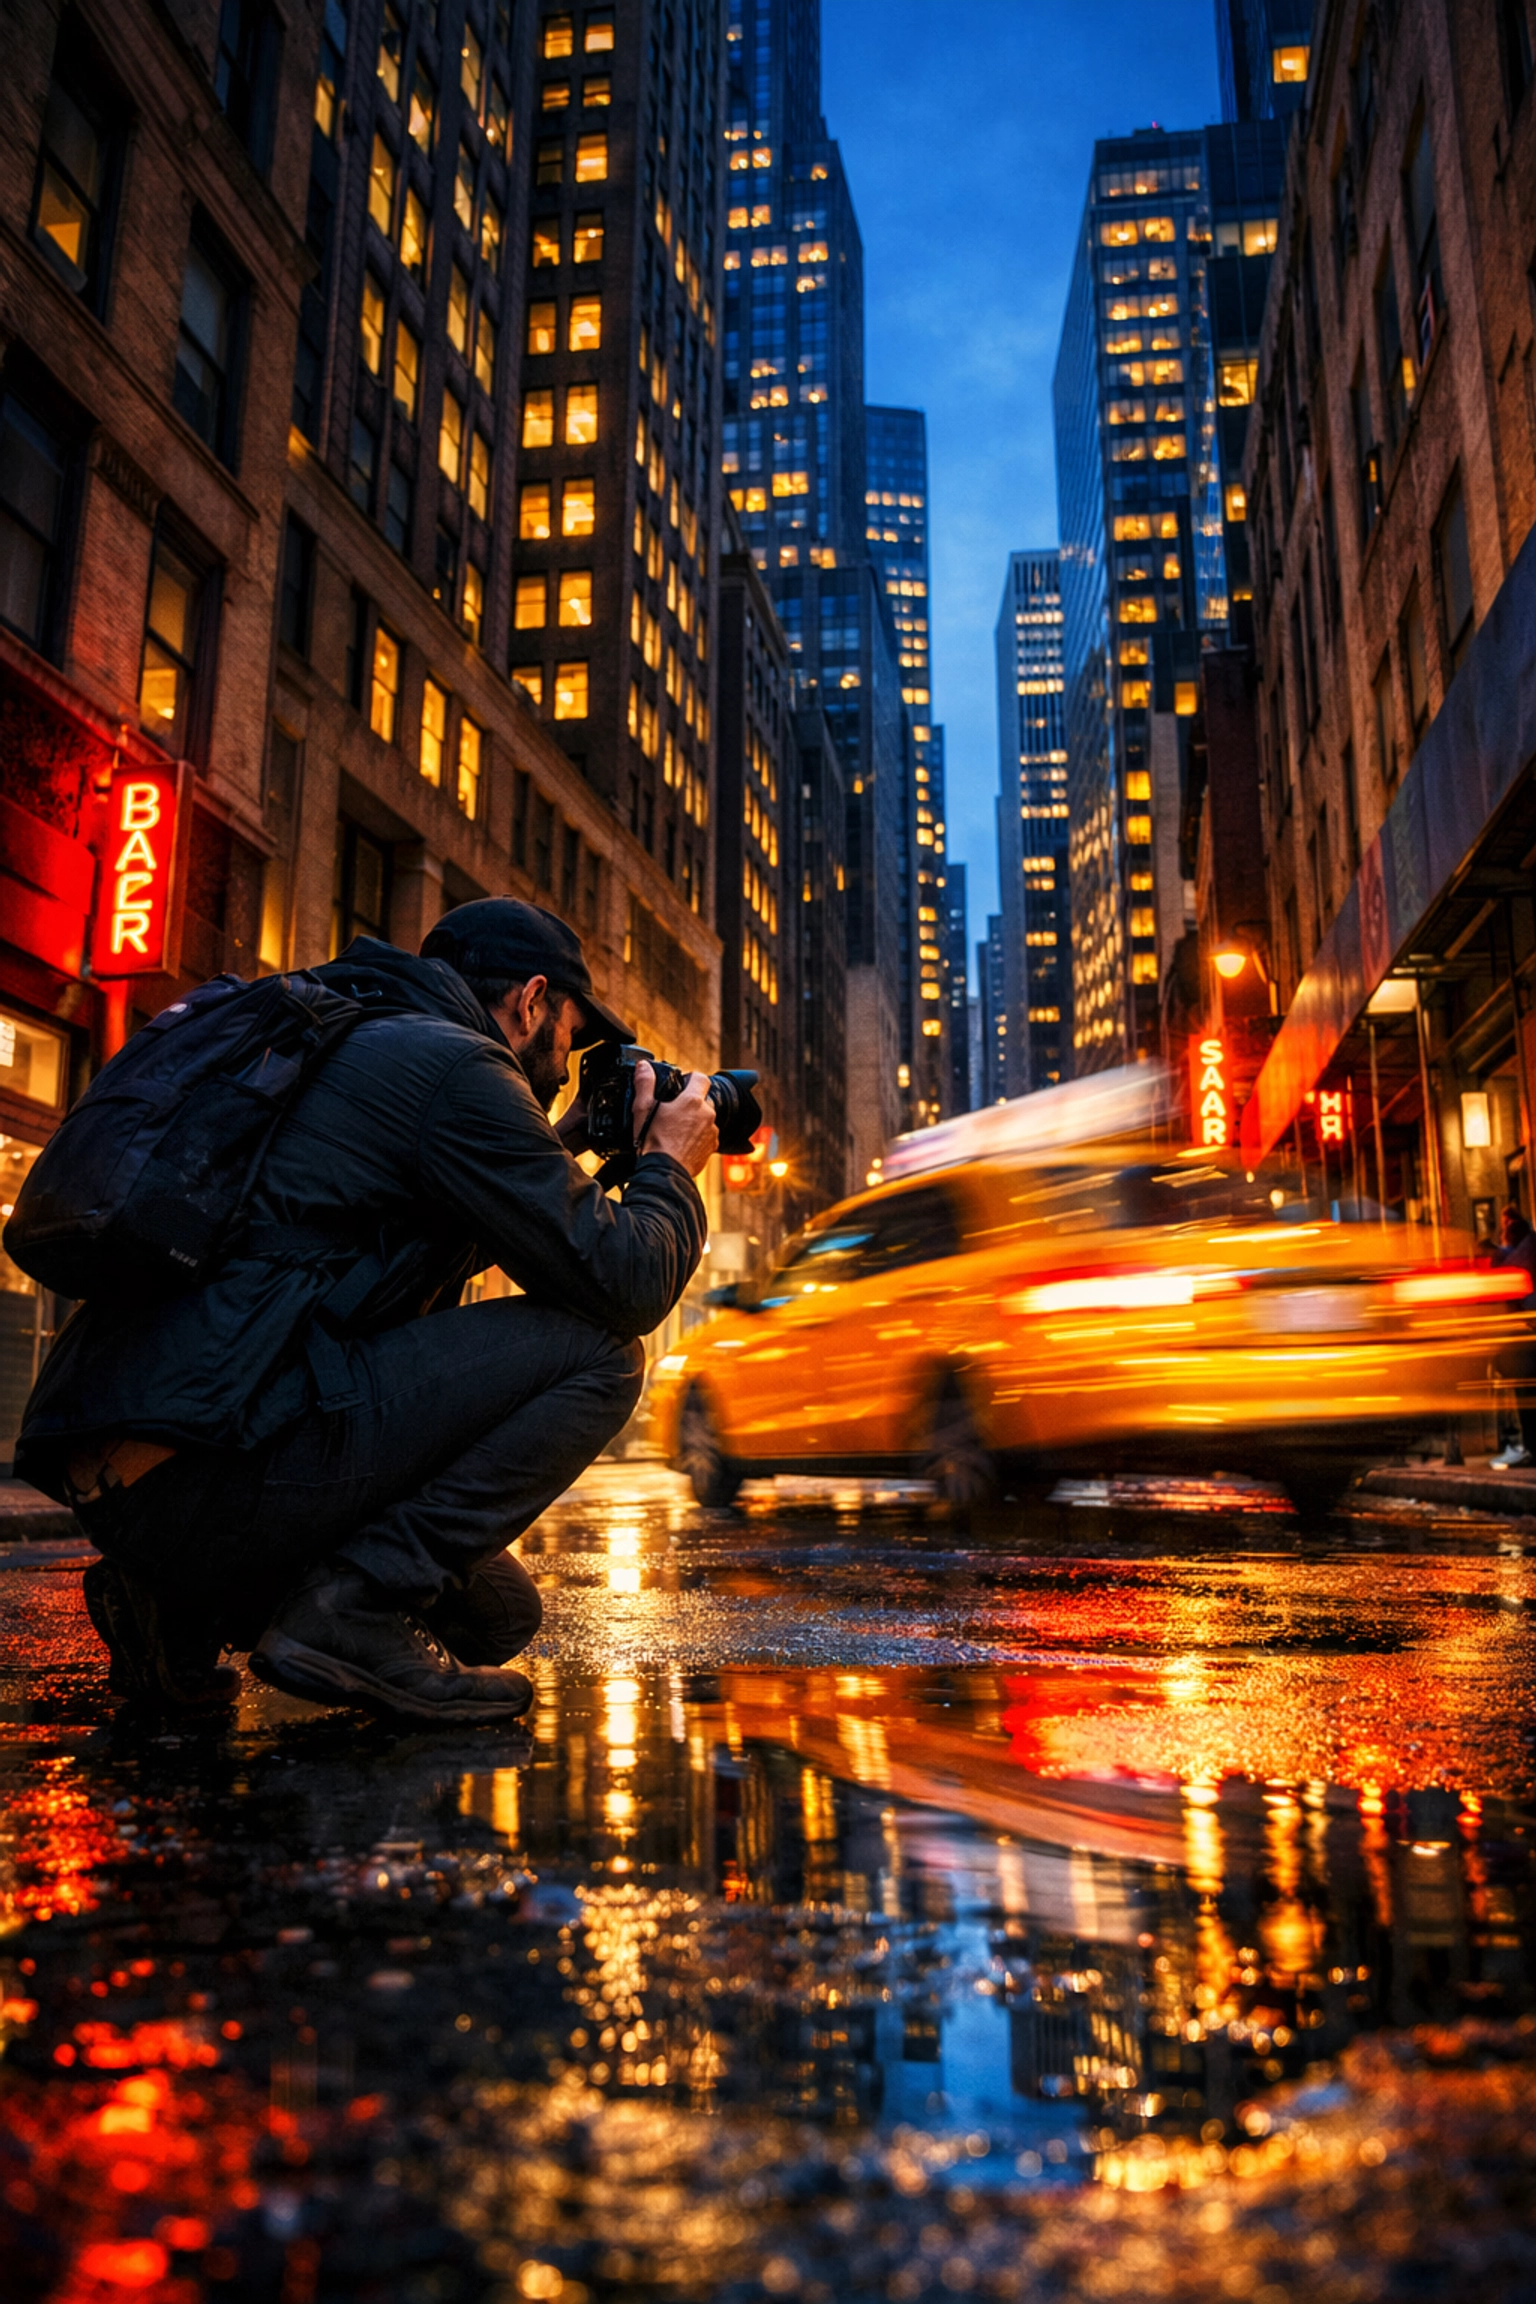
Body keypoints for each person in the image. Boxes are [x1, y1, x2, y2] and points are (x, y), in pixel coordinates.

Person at [14, 900, 717, 1721]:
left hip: (133, 1469)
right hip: (209, 1463)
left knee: (494, 1615)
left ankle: (174, 1602)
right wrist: (669, 1166)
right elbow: (626, 1284)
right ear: (532, 1002)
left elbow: (417, 1243)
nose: (566, 1064)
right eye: (570, 1036)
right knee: (602, 1352)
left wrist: (573, 1144)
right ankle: (349, 1610)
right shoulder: (457, 1068)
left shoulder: (357, 1035)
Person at [1490, 1202, 1536, 1470]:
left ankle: (1531, 1446)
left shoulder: (1520, 1252)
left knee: (1527, 1394)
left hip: (1526, 1335)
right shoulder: (1529, 1244)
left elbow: (1504, 1278)